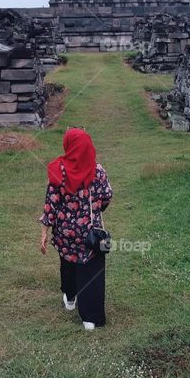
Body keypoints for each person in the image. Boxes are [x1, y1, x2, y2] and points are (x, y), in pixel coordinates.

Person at [39, 127, 113, 330]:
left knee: (68, 263)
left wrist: (44, 231)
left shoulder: (58, 170)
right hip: (91, 233)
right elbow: (107, 196)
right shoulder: (98, 170)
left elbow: (51, 204)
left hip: (65, 232)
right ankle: (91, 319)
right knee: (92, 271)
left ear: (68, 145)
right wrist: (96, 209)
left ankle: (70, 298)